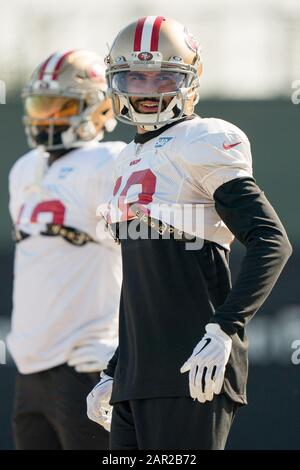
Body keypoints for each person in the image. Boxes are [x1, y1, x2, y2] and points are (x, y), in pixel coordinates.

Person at [87, 17, 292, 450]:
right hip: (137, 375)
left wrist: (224, 329)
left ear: (190, 79)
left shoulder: (204, 138)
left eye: (163, 75)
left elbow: (272, 241)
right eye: (134, 76)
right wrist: (116, 367)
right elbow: (146, 282)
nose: (147, 89)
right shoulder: (126, 156)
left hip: (193, 364)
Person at [7, 50, 125, 450]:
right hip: (31, 366)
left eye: (61, 106)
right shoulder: (24, 168)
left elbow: (147, 253)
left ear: (98, 107)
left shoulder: (111, 161)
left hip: (87, 362)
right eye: (41, 106)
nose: (48, 117)